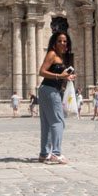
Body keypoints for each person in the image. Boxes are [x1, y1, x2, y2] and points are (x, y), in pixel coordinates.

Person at [38, 32, 75, 164]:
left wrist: (67, 77)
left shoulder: (60, 57)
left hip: (48, 90)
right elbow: (41, 71)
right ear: (54, 42)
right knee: (59, 121)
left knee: (47, 123)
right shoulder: (52, 54)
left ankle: (44, 153)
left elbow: (59, 74)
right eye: (60, 41)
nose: (63, 43)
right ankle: (56, 153)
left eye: (65, 41)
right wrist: (60, 76)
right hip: (49, 90)